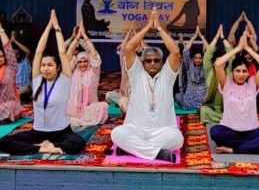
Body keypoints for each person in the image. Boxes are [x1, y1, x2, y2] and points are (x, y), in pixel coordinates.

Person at [0, 10, 86, 155]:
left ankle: (53, 145)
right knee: (3, 142)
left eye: (50, 65)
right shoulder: (37, 79)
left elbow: (62, 53)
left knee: (78, 144)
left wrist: (56, 27)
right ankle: (42, 147)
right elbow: (38, 52)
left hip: (61, 132)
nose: (45, 69)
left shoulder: (64, 80)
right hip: (38, 132)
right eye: (43, 65)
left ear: (58, 67)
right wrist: (48, 27)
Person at [110, 9, 184, 162]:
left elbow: (175, 51)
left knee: (178, 138)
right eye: (148, 60)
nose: (152, 63)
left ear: (161, 63)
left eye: (156, 60)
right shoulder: (137, 73)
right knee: (117, 133)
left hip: (162, 131)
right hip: (135, 129)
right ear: (142, 62)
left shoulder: (167, 76)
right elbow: (128, 48)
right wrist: (148, 26)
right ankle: (157, 153)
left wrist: (158, 28)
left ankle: (133, 150)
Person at [210, 32, 259, 154]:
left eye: (244, 71)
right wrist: (238, 49)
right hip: (229, 130)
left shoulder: (252, 83)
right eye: (237, 71)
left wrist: (249, 49)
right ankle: (253, 147)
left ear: (248, 73)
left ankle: (236, 149)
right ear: (232, 72)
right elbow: (218, 64)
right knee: (215, 132)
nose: (241, 74)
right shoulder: (227, 84)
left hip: (252, 132)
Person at [66, 21, 108, 130]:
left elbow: (93, 53)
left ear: (89, 62)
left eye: (85, 61)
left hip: (88, 108)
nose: (82, 64)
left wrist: (84, 36)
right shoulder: (73, 72)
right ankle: (79, 120)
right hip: (73, 108)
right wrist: (76, 38)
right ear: (77, 63)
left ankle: (83, 120)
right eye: (80, 62)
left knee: (103, 106)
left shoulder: (93, 72)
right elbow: (69, 54)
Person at [200, 24, 232, 123]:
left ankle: (225, 119)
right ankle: (226, 120)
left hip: (228, 107)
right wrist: (216, 37)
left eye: (222, 62)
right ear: (214, 64)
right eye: (217, 62)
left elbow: (231, 54)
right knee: (203, 111)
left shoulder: (229, 72)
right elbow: (207, 56)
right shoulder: (209, 72)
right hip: (213, 108)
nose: (220, 64)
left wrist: (223, 38)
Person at [175, 26, 207, 110]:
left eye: (200, 58)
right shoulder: (189, 65)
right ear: (192, 59)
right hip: (189, 99)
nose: (198, 60)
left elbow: (209, 50)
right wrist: (194, 37)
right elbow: (185, 51)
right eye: (196, 58)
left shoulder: (206, 66)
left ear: (203, 59)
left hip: (202, 100)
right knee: (178, 96)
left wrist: (202, 37)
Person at [0, 23, 21, 123]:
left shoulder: (11, 68)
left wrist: (1, 30)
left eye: (1, 56)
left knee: (8, 107)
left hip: (9, 104)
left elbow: (7, 48)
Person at [11, 31, 33, 102]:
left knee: (25, 89)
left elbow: (28, 52)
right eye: (14, 54)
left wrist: (15, 40)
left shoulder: (25, 61)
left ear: (21, 54)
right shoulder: (10, 63)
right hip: (15, 88)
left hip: (26, 88)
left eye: (17, 54)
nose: (16, 56)